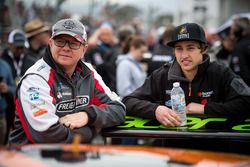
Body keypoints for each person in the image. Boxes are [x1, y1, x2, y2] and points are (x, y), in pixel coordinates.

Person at [9, 18, 126, 144]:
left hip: (73, 159)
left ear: (84, 49)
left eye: (74, 43)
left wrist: (87, 116)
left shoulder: (89, 72)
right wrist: (90, 132)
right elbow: (46, 135)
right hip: (30, 159)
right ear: (51, 43)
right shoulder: (35, 78)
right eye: (60, 41)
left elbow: (119, 109)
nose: (66, 48)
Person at [122, 22, 250, 127]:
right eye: (179, 49)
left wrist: (206, 109)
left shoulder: (221, 73)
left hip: (213, 150)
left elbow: (246, 101)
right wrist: (156, 110)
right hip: (173, 150)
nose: (184, 55)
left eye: (190, 48)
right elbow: (128, 101)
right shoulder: (161, 75)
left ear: (203, 49)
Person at [229, 17, 250, 86]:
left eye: (233, 29)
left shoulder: (240, 47)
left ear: (239, 30)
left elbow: (239, 72)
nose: (231, 31)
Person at [0, 58, 16, 144]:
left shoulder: (5, 66)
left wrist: (7, 89)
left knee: (1, 150)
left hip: (1, 117)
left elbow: (14, 88)